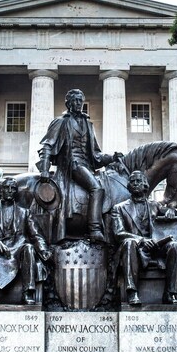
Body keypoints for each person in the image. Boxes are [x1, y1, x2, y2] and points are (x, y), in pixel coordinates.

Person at [38, 88, 121, 242]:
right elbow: (47, 145)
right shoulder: (61, 122)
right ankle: (94, 229)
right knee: (97, 188)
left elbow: (96, 154)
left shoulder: (88, 124)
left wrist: (112, 158)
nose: (78, 104)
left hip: (86, 165)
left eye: (80, 101)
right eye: (75, 101)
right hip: (71, 165)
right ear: (68, 103)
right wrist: (44, 168)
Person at [109, 170, 177, 305]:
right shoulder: (119, 208)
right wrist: (142, 240)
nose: (135, 184)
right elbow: (119, 233)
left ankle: (171, 293)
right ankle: (132, 292)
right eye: (132, 182)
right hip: (135, 248)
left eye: (138, 181)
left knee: (174, 246)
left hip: (155, 248)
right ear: (128, 186)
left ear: (145, 185)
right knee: (129, 243)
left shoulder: (155, 205)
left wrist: (171, 210)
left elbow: (170, 211)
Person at [0, 178, 51, 305]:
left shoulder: (25, 213)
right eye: (7, 188)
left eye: (13, 188)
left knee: (29, 248)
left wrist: (44, 250)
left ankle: (27, 293)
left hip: (18, 249)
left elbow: (36, 235)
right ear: (0, 191)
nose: (10, 191)